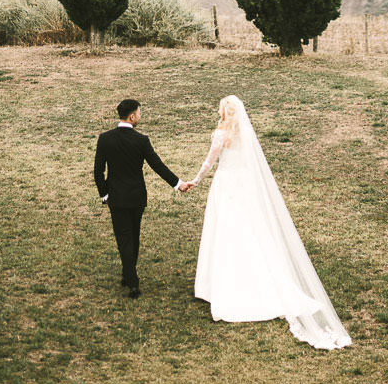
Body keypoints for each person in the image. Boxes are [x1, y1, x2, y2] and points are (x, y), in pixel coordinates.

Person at [189, 94, 352, 350]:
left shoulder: (220, 135)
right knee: (249, 231)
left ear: (224, 112)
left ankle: (222, 284)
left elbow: (209, 162)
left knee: (225, 231)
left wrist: (195, 181)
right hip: (243, 187)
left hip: (226, 186)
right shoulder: (246, 135)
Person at [94, 98, 192, 299]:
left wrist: (104, 194)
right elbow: (158, 165)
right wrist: (178, 183)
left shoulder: (105, 139)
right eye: (139, 113)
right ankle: (130, 277)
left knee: (124, 238)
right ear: (131, 116)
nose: (140, 116)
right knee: (134, 236)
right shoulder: (141, 140)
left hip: (117, 198)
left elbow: (98, 171)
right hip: (137, 197)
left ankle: (130, 278)